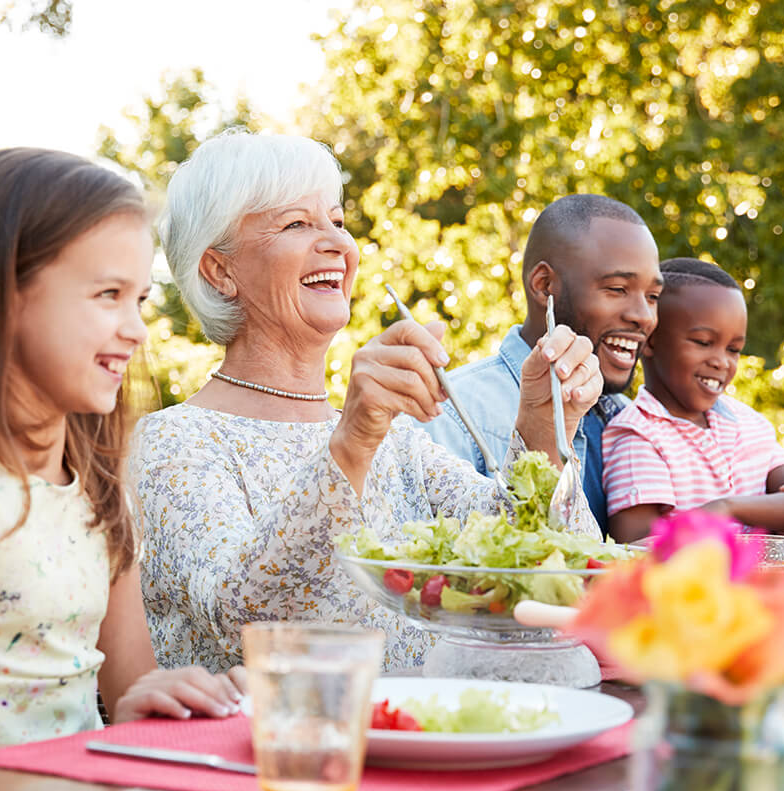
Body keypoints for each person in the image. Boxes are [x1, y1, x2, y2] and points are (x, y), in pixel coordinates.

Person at [133, 131, 603, 674]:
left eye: (336, 220)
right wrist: (352, 442)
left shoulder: (395, 439)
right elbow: (249, 625)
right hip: (279, 754)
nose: (338, 242)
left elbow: (545, 576)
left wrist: (544, 433)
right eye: (295, 223)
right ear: (220, 271)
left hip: (418, 745)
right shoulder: (175, 441)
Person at [0, 148, 243, 777]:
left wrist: (173, 702)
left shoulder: (101, 495)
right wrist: (73, 761)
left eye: (139, 298)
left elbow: (132, 690)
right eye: (109, 294)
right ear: (2, 301)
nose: (136, 329)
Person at [418, 194, 662, 534]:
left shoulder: (626, 419)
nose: (644, 317)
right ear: (545, 287)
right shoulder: (451, 413)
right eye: (618, 288)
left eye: (652, 296)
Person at [602, 258, 784, 542]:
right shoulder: (638, 437)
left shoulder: (749, 424)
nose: (722, 362)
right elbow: (639, 554)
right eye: (703, 342)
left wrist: (729, 508)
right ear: (651, 340)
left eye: (733, 349)